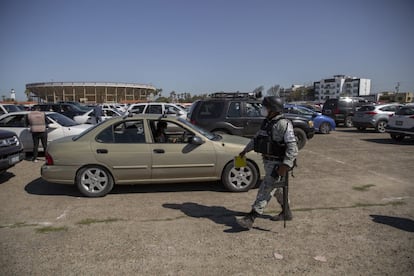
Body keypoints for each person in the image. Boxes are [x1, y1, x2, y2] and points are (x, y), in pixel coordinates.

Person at [236, 96, 298, 230]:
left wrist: (285, 165)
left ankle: (251, 217)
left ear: (273, 109)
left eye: (266, 107)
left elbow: (293, 147)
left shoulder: (284, 124)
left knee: (265, 189)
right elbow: (257, 139)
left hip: (278, 164)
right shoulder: (266, 122)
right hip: (267, 161)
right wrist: (244, 151)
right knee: (277, 190)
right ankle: (286, 212)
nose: (263, 110)